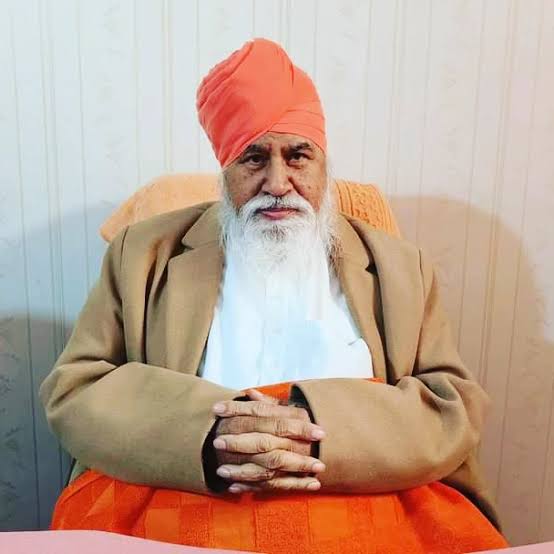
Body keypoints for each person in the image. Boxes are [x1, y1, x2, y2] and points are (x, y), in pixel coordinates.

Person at [39, 38, 508, 553]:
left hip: (360, 502)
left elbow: (452, 404)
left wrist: (317, 429)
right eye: (253, 158)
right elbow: (76, 389)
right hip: (187, 499)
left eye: (298, 156)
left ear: (324, 166)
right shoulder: (141, 254)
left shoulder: (400, 268)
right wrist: (209, 436)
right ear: (225, 171)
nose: (277, 183)